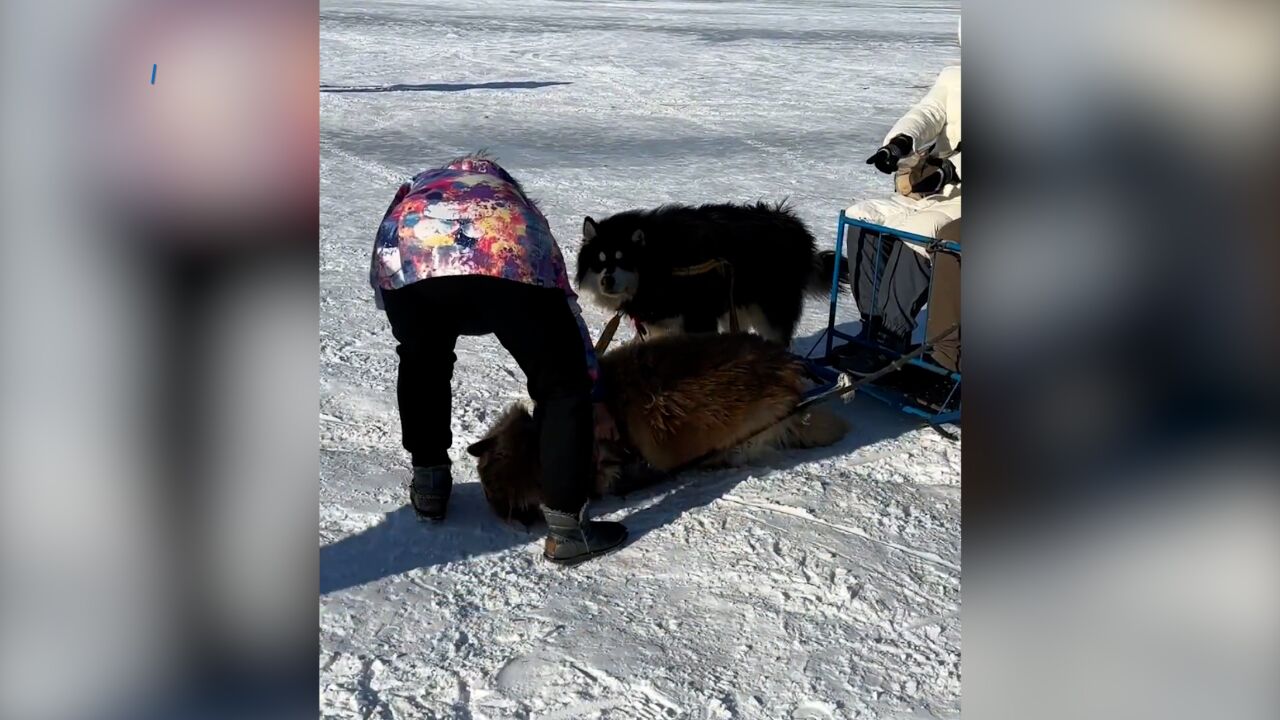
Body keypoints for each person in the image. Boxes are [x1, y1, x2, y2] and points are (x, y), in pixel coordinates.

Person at [369, 153, 627, 564]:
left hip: (411, 256)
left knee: (423, 361)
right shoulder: (514, 204)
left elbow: (385, 261)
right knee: (561, 388)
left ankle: (429, 485)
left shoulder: (418, 187)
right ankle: (568, 530)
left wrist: (416, 329)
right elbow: (564, 301)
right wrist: (590, 388)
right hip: (503, 253)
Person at [844, 19, 962, 372]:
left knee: (922, 228)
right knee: (864, 215)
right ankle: (873, 328)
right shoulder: (953, 78)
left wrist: (949, 169)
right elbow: (926, 114)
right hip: (933, 189)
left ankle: (892, 334)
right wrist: (897, 145)